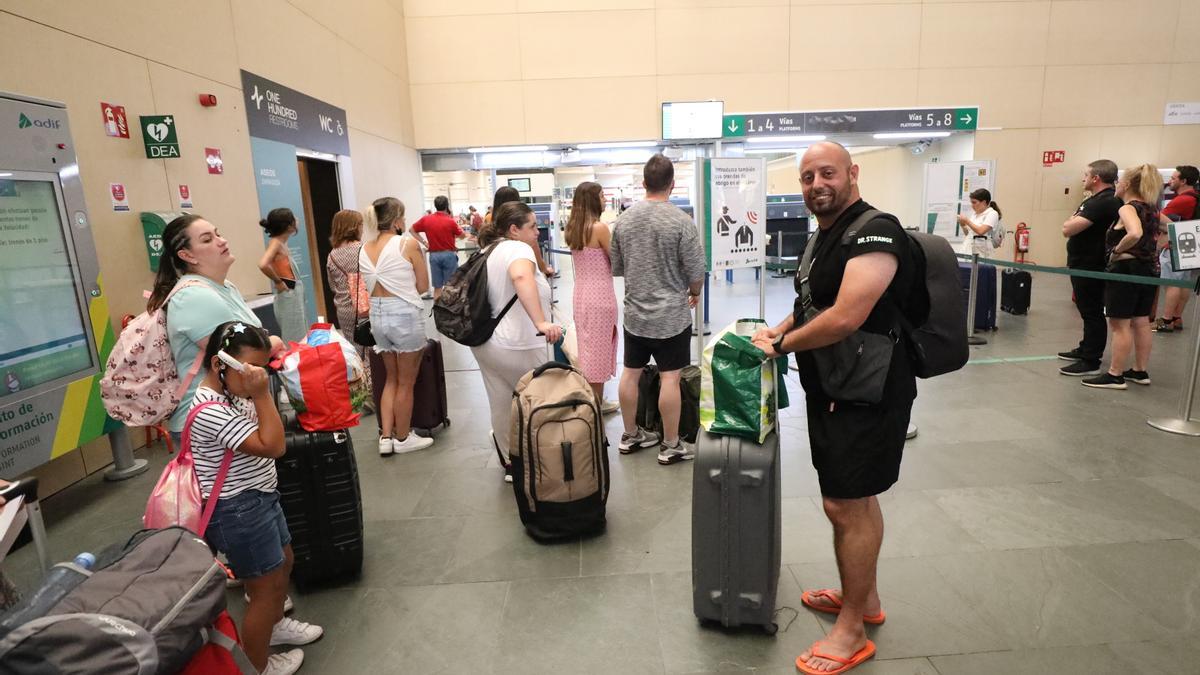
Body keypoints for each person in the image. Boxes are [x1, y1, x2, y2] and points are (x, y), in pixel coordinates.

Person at [751, 142, 919, 675]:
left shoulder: (876, 231)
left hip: (869, 391)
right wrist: (780, 327)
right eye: (806, 177)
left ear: (853, 173)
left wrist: (782, 346)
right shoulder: (827, 235)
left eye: (827, 173)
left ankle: (853, 628)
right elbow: (812, 301)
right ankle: (863, 598)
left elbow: (847, 316)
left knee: (848, 505)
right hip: (835, 387)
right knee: (847, 500)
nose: (816, 184)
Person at [190, 321, 322, 675]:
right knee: (263, 592)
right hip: (238, 511)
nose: (256, 377)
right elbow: (274, 445)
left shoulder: (233, 392)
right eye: (248, 369)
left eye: (260, 369)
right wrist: (262, 394)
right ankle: (257, 666)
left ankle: (275, 626)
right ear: (220, 365)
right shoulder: (212, 411)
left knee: (284, 565)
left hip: (261, 498)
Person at [152, 214, 283, 441]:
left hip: (233, 414)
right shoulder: (194, 296)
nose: (221, 241)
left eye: (218, 234)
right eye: (207, 239)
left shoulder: (225, 287)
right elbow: (239, 360)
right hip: (209, 421)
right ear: (186, 255)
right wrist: (274, 343)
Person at [610, 153, 705, 466]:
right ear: (672, 185)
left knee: (630, 374)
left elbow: (618, 266)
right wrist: (693, 293)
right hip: (671, 317)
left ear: (643, 184)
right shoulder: (681, 222)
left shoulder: (623, 221)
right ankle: (670, 444)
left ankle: (630, 435)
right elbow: (695, 271)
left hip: (635, 314)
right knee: (670, 378)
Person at [471, 201, 561, 482]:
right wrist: (541, 322)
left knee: (500, 400)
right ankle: (541, 460)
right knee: (539, 400)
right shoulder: (518, 249)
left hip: (487, 342)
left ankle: (513, 464)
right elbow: (521, 277)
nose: (538, 232)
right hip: (519, 342)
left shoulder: (488, 250)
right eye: (532, 226)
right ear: (514, 229)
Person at [360, 197, 434, 456]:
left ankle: (386, 436)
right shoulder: (407, 243)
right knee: (406, 382)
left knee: (390, 378)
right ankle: (404, 438)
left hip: (377, 315)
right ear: (396, 220)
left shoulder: (364, 248)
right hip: (404, 315)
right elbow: (423, 286)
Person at [1083, 165, 1162, 390]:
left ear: (1126, 184)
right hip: (1148, 270)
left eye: (1119, 181)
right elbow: (1169, 227)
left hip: (1126, 270)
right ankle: (1139, 370)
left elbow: (1135, 232)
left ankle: (1115, 374)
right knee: (1140, 320)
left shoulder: (1128, 209)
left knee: (1120, 323)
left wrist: (1117, 250)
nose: (1116, 184)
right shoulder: (1152, 209)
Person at [1059, 160, 1122, 377]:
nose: (1082, 178)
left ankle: (1091, 358)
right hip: (1082, 261)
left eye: (1086, 174)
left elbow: (1068, 228)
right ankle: (1086, 347)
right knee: (1086, 309)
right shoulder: (1094, 201)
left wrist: (1072, 221)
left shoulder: (1104, 202)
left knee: (1092, 310)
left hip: (1091, 263)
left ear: (1096, 178)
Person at [564, 181, 619, 413]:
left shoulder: (573, 228)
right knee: (599, 352)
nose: (605, 200)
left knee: (589, 351)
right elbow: (616, 261)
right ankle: (594, 406)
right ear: (592, 200)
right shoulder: (599, 228)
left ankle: (596, 400)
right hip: (601, 297)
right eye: (602, 196)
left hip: (581, 295)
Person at [324, 209, 373, 408]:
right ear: (355, 227)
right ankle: (371, 391)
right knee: (370, 348)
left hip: (344, 309)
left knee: (354, 349)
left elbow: (332, 285)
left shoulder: (332, 255)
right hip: (365, 306)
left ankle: (357, 392)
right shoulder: (364, 249)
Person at [1154, 165, 1199, 332]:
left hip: (1176, 244)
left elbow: (1157, 217)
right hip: (1191, 243)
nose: (1170, 181)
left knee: (1171, 282)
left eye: (1173, 178)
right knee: (1183, 282)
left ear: (1184, 181)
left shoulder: (1181, 200)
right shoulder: (1196, 197)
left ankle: (1166, 320)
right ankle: (1177, 317)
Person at [257, 208, 308, 343]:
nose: (297, 220)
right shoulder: (276, 243)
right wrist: (278, 281)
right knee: (295, 337)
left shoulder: (281, 243)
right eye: (293, 218)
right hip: (289, 294)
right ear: (288, 226)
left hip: (293, 293)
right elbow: (263, 264)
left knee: (300, 333)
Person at [412, 195, 468, 301]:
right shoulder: (450, 221)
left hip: (434, 255)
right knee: (451, 286)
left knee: (437, 288)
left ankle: (438, 313)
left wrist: (424, 242)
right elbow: (463, 235)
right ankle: (450, 312)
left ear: (435, 206)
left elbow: (412, 230)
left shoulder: (426, 219)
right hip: (449, 255)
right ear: (447, 206)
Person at [493, 186, 555, 278]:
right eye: (533, 226)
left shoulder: (491, 224)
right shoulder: (522, 224)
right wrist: (545, 269)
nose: (536, 232)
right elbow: (535, 249)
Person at [956, 188, 1001, 257]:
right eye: (971, 202)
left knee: (979, 267)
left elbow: (981, 231)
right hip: (969, 249)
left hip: (982, 252)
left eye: (974, 202)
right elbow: (968, 234)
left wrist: (967, 221)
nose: (972, 205)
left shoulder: (992, 213)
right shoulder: (975, 214)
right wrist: (963, 225)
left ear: (984, 202)